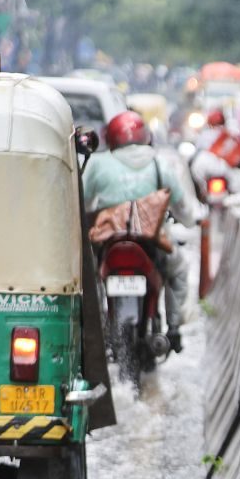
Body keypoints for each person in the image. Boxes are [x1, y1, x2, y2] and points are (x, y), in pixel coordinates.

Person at [83, 111, 200, 353]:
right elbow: (184, 210)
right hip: (150, 243)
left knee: (86, 274)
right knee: (178, 270)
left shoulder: (98, 162)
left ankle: (86, 327)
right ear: (145, 136)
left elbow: (80, 203)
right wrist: (190, 222)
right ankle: (174, 328)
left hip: (108, 243)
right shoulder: (159, 163)